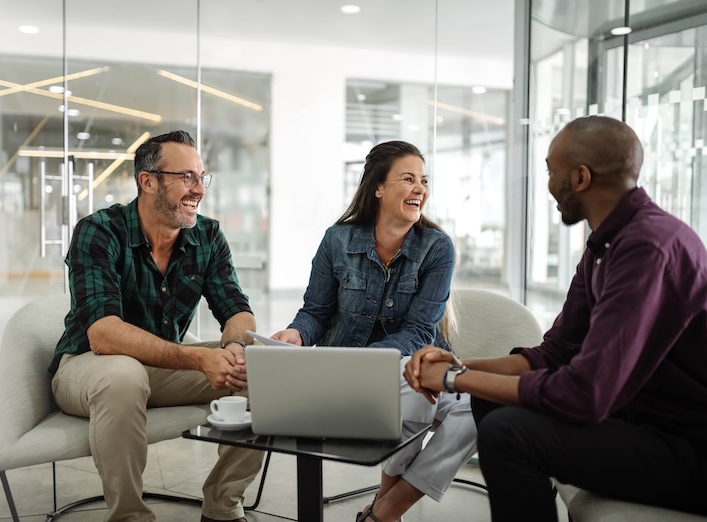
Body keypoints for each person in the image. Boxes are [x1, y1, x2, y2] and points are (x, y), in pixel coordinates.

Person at [404, 115, 707, 521]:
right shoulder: (606, 243)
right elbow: (555, 352)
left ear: (580, 178)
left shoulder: (647, 247)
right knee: (490, 404)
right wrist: (461, 366)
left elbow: (586, 394)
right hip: (643, 420)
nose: (548, 187)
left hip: (689, 448)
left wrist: (452, 381)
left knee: (507, 433)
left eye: (551, 172)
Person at [48, 130, 263, 522]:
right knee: (123, 374)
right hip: (87, 370)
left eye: (202, 177)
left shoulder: (208, 235)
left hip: (162, 372)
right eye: (187, 177)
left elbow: (236, 309)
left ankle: (223, 505)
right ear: (148, 181)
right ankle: (130, 517)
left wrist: (234, 347)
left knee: (263, 365)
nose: (198, 188)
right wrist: (200, 359)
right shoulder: (99, 231)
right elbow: (103, 333)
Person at [270, 141, 477, 522]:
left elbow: (417, 332)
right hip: (344, 374)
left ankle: (385, 510)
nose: (420, 189)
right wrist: (296, 333)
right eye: (408, 179)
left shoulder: (437, 248)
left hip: (407, 371)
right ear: (378, 187)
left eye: (424, 181)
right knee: (412, 387)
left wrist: (371, 363)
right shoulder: (337, 240)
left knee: (473, 406)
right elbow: (315, 312)